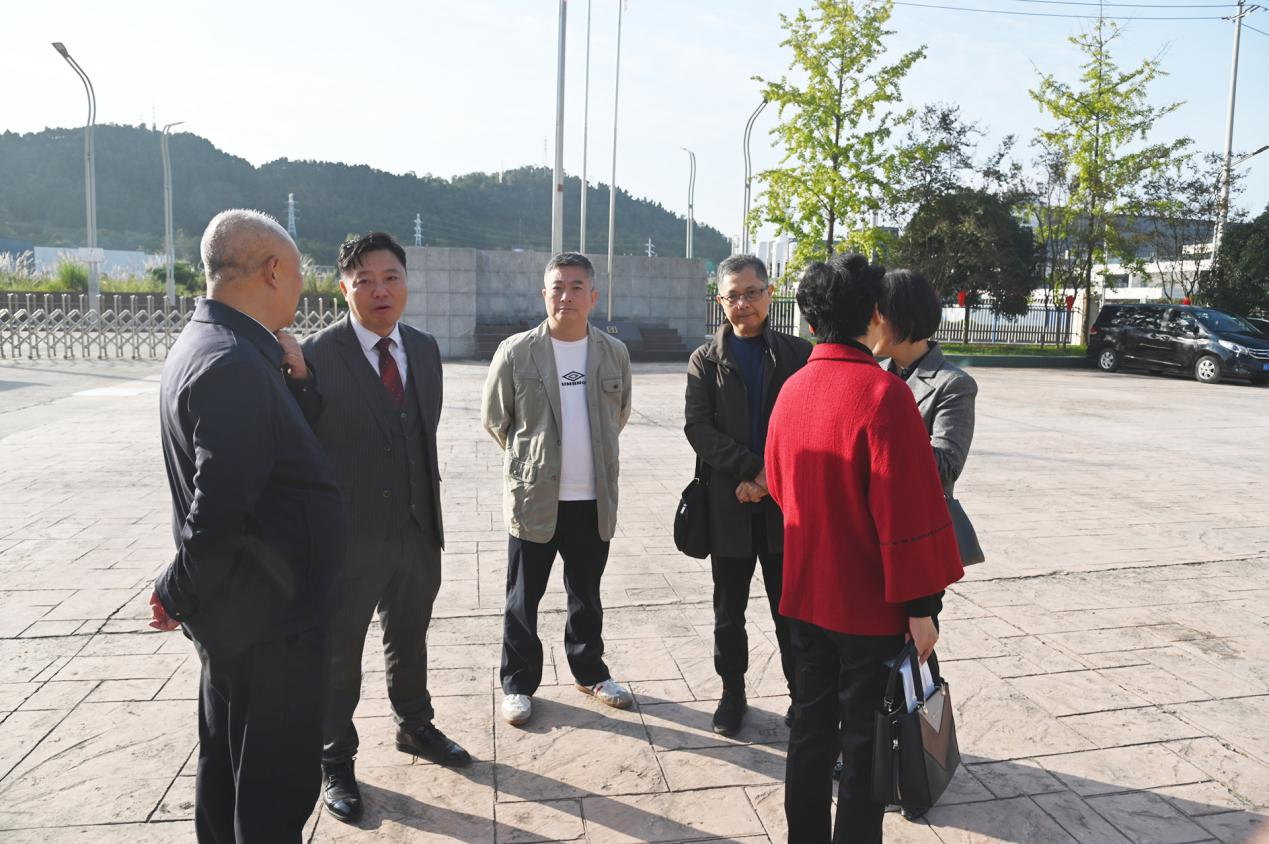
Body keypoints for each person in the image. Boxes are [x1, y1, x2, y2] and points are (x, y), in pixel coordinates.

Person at [149, 209, 348, 843]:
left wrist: (296, 379)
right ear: (272, 271)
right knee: (270, 790)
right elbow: (219, 508)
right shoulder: (233, 361)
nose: (301, 290)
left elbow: (264, 458)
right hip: (268, 625)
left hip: (248, 615)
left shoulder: (218, 344)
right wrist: (175, 590)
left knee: (231, 771)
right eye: (299, 275)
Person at [765, 256, 964, 843]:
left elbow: (778, 483)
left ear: (808, 320)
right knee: (863, 743)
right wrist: (923, 607)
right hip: (868, 606)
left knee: (809, 732)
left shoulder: (792, 389)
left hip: (805, 594)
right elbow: (909, 513)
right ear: (875, 313)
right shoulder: (883, 394)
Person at [284, 232, 470, 825]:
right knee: (340, 653)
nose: (380, 290)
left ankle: (415, 725)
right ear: (344, 289)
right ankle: (334, 758)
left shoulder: (424, 348)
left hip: (417, 529)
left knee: (409, 637)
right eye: (364, 280)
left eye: (391, 277)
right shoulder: (315, 355)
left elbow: (418, 432)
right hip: (348, 538)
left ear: (406, 282)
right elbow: (298, 445)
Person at [481, 252, 633, 727]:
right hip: (535, 499)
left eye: (576, 286)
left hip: (592, 499)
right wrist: (536, 462)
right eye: (557, 287)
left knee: (586, 594)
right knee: (522, 599)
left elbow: (619, 414)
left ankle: (590, 672)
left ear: (593, 296)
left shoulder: (613, 352)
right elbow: (496, 419)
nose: (566, 295)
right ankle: (517, 683)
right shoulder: (516, 351)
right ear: (544, 294)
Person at [684, 254, 811, 737]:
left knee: (792, 613)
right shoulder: (706, 359)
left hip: (786, 508)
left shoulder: (799, 354)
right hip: (729, 505)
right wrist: (753, 470)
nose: (743, 304)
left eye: (752, 293)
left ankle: (802, 698)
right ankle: (732, 695)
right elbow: (699, 428)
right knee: (727, 613)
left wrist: (769, 478)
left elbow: (808, 426)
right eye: (733, 296)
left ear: (770, 293)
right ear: (720, 301)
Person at [873, 269, 978, 501]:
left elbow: (947, 469)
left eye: (878, 315)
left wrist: (881, 431)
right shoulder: (873, 374)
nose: (871, 325)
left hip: (915, 513)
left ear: (905, 319)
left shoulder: (953, 385)